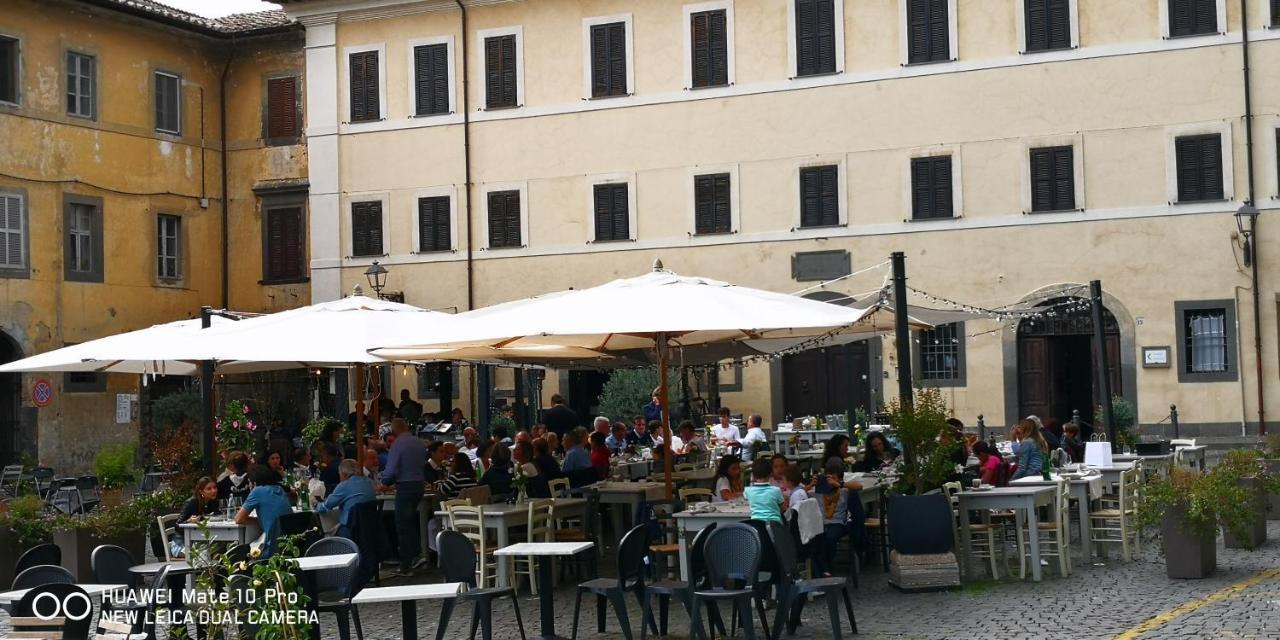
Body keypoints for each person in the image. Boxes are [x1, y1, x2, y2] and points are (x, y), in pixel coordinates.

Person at [379, 419, 428, 576]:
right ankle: (417, 554)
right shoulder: (419, 443)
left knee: (403, 525)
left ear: (394, 430)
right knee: (411, 521)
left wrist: (384, 481)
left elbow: (391, 470)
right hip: (419, 485)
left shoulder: (398, 445)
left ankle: (407, 563)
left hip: (405, 486)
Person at [235, 464, 293, 558]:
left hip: (271, 546)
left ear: (253, 482)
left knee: (244, 550)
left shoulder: (257, 491)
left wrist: (258, 520)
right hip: (289, 545)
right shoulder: (280, 489)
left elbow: (238, 519)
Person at [315, 459, 376, 539]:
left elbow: (326, 506)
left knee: (324, 535)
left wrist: (316, 505)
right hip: (371, 528)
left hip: (350, 530)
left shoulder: (344, 485)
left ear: (343, 474)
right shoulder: (370, 482)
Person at [814, 458, 854, 577]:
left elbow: (858, 487)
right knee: (817, 539)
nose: (830, 482)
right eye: (828, 479)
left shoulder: (843, 491)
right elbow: (799, 493)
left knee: (830, 537)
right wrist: (812, 483)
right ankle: (824, 568)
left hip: (838, 522)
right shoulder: (820, 490)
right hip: (821, 522)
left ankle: (826, 566)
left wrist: (838, 484)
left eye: (834, 479)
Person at [745, 458, 785, 523]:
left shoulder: (747, 491)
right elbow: (782, 509)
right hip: (775, 527)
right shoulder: (776, 490)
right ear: (770, 474)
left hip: (756, 526)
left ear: (753, 475)